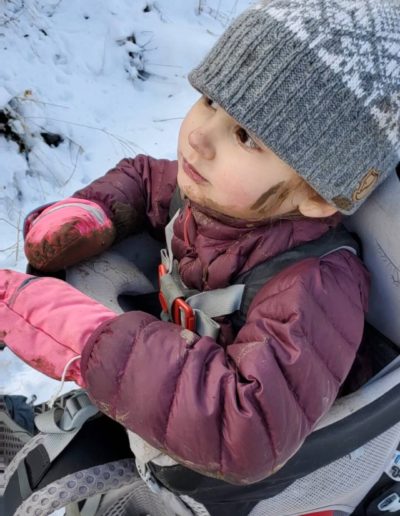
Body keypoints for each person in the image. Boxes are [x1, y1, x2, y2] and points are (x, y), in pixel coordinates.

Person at [0, 0, 398, 500]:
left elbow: (247, 428)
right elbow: (144, 178)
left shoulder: (314, 286)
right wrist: (95, 213)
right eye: (210, 100)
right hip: (165, 379)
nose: (198, 138)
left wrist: (89, 340)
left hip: (219, 480)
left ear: (317, 194)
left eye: (245, 136)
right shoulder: (218, 196)